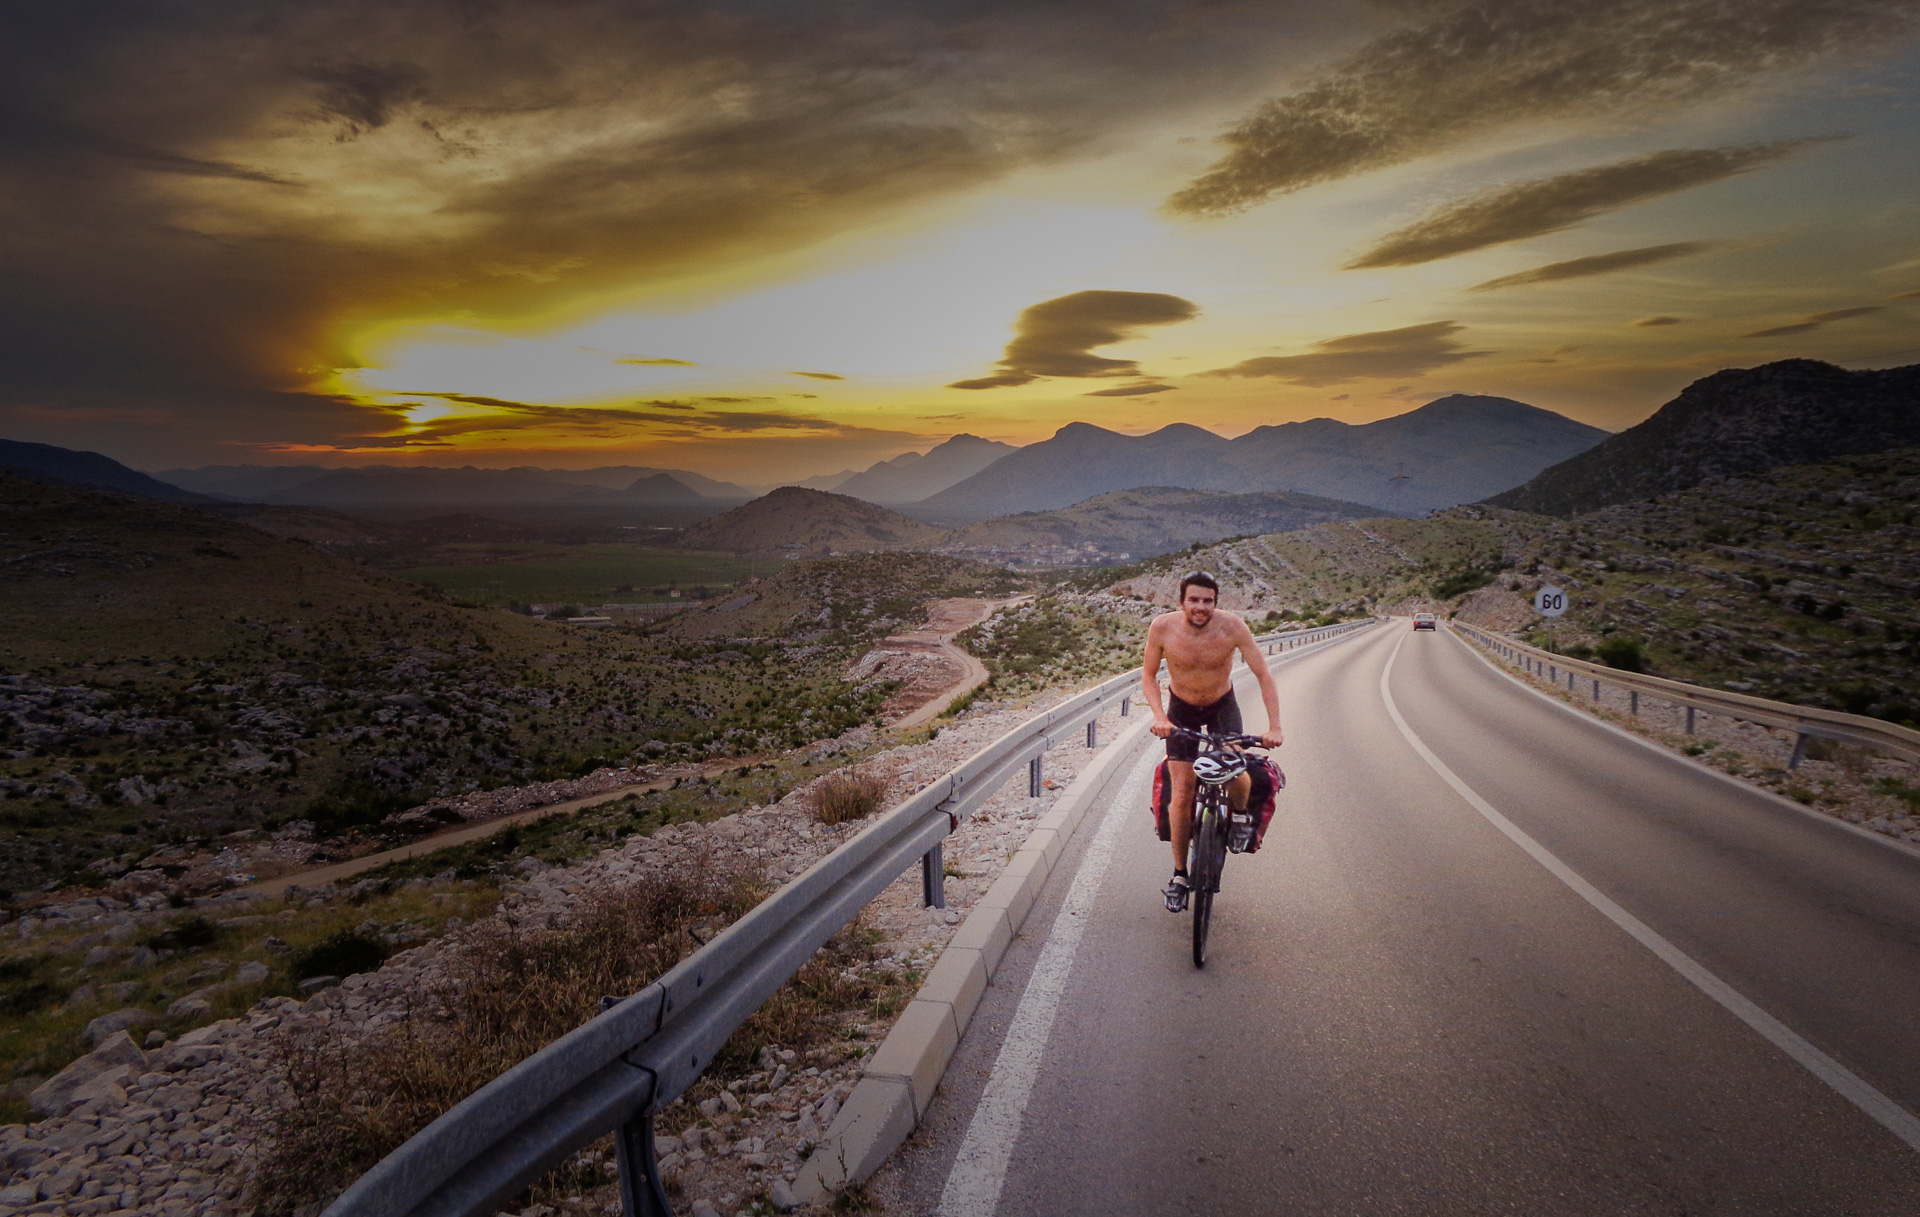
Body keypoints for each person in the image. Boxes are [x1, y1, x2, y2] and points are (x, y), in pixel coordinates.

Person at [1141, 571, 1283, 912]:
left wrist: (1274, 726)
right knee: (1182, 791)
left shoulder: (1232, 626)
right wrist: (1160, 717)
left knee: (1235, 771)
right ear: (1181, 602)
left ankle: (1238, 818)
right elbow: (1147, 675)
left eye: (1208, 601)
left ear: (1216, 603)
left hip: (1222, 706)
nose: (1201, 607)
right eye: (1194, 600)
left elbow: (1263, 674)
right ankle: (1179, 876)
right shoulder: (1162, 627)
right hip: (1181, 709)